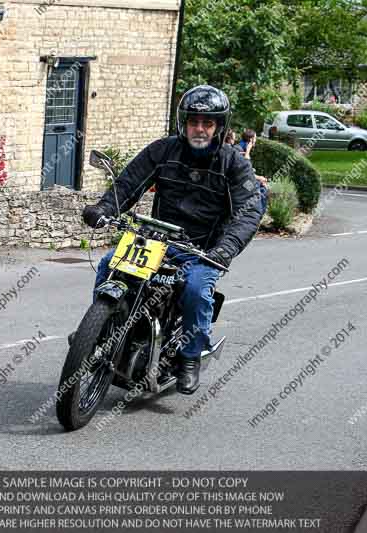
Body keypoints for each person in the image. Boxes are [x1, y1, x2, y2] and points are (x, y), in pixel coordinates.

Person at [80, 85, 265, 395]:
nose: (200, 129)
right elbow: (128, 183)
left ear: (219, 126)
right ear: (184, 122)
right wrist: (104, 208)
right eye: (195, 122)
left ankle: (190, 357)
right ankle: (100, 330)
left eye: (208, 123)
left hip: (202, 249)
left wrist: (226, 248)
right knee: (107, 264)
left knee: (195, 289)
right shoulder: (164, 150)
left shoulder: (234, 163)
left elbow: (248, 212)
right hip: (155, 239)